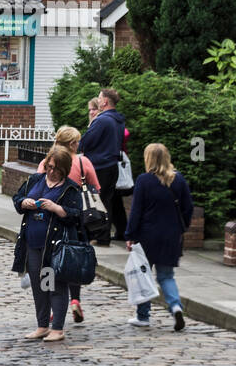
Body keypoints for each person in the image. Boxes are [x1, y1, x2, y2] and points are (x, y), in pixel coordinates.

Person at [10, 144, 83, 343]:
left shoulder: (70, 188)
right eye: (49, 167)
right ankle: (42, 325)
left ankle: (57, 328)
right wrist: (23, 202)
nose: (51, 171)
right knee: (38, 285)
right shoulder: (36, 180)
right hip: (32, 243)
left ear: (64, 170)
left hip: (54, 246)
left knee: (53, 285)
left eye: (56, 169)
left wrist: (57, 208)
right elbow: (17, 198)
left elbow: (77, 216)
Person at [124, 143, 194, 331]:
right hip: (171, 235)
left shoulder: (144, 180)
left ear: (149, 159)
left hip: (147, 236)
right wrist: (182, 227)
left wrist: (130, 234)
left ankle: (143, 316)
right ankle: (176, 306)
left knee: (143, 275)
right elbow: (188, 208)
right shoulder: (178, 180)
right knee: (166, 276)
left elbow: (136, 210)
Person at [38, 125, 100, 323]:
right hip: (74, 221)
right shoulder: (83, 161)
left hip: (49, 222)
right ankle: (74, 300)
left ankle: (50, 307)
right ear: (73, 144)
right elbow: (96, 187)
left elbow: (38, 185)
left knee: (47, 265)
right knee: (72, 259)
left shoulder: (47, 162)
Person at [79, 88, 126, 246]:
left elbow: (86, 141)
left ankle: (98, 235)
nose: (98, 101)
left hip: (99, 166)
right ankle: (103, 235)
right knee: (106, 201)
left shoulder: (102, 120)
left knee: (95, 201)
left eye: (99, 99)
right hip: (112, 165)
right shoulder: (118, 120)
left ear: (105, 101)